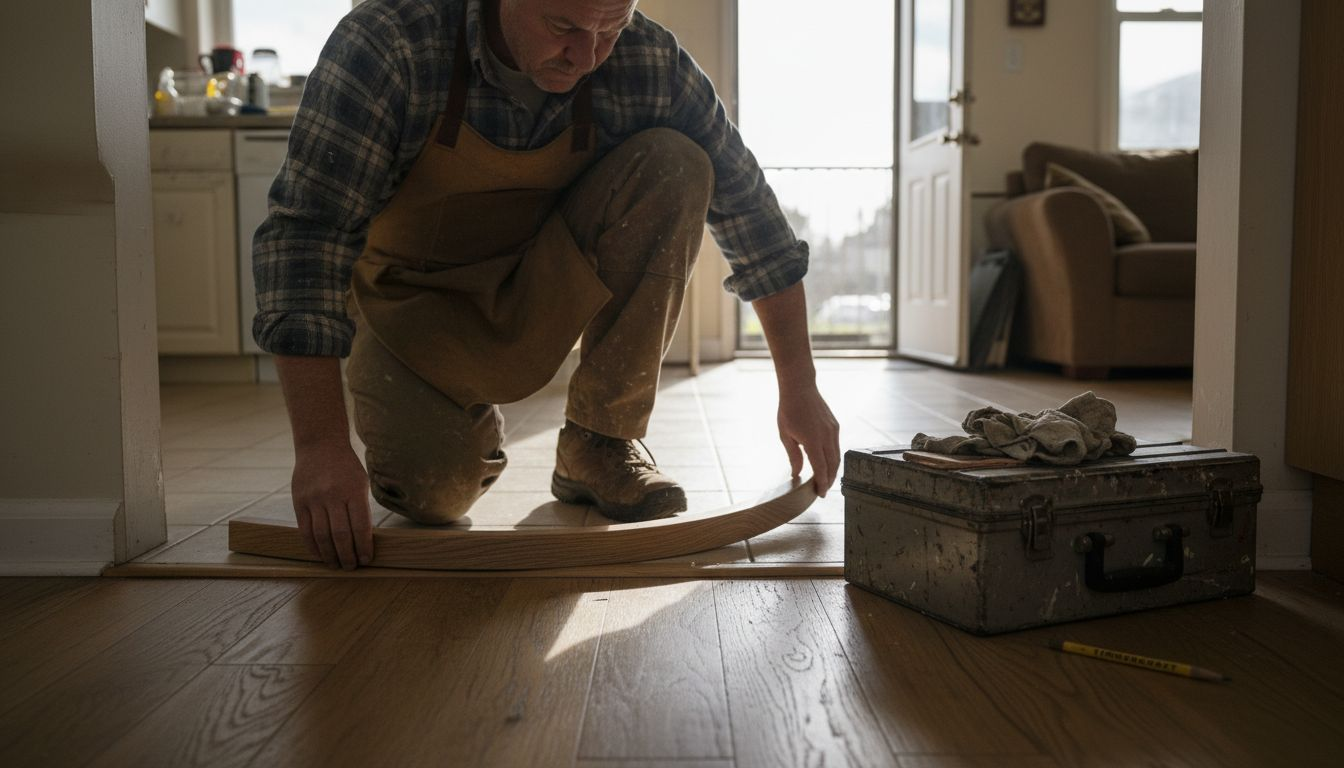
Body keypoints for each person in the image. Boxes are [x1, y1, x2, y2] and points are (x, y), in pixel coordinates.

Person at [253, 0, 840, 570]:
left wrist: (800, 385)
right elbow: (307, 238)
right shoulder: (391, 42)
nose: (587, 56)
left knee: (678, 162)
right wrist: (321, 448)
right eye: (564, 26)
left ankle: (599, 441)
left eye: (610, 29)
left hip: (539, 280)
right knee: (435, 494)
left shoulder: (647, 61)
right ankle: (448, 427)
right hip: (408, 304)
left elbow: (753, 218)